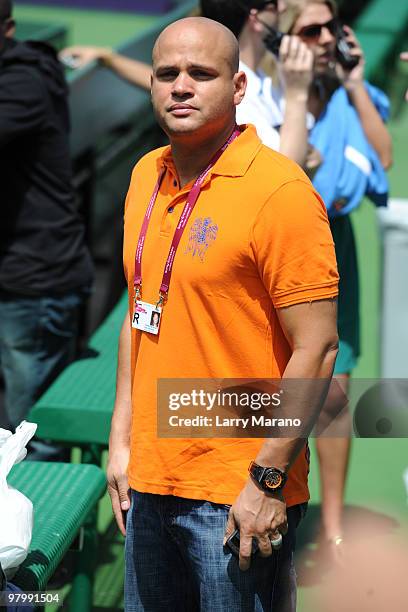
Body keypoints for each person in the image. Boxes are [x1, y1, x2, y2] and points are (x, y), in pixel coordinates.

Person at [108, 15, 339, 611]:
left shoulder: (280, 193)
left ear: (238, 88)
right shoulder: (144, 176)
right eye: (167, 74)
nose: (180, 86)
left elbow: (317, 349)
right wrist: (122, 441)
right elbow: (141, 315)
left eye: (200, 74)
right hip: (152, 482)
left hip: (238, 493)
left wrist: (265, 483)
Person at [279, 0, 392, 559]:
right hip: (278, 255)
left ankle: (333, 526)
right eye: (311, 28)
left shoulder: (348, 93)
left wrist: (356, 83)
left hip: (334, 249)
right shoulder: (268, 93)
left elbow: (386, 154)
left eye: (331, 26)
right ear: (285, 37)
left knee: (333, 395)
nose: (326, 37)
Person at [60, 0, 315, 168]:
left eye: (202, 74)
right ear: (255, 18)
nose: (282, 9)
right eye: (274, 3)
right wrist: (298, 95)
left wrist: (110, 58)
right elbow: (286, 174)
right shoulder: (230, 97)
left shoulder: (266, 75)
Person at [0, 0, 93, 457]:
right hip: (31, 274)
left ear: (9, 30)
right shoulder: (28, 71)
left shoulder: (22, 83)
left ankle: (40, 529)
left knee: (29, 435)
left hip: (36, 281)